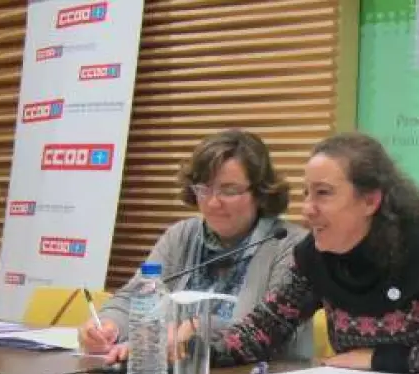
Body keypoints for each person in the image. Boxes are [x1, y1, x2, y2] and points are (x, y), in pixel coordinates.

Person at [199, 131, 419, 374]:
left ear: (370, 201)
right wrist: (195, 350)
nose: (307, 209)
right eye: (307, 193)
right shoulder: (315, 255)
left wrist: (380, 359)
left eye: (323, 193)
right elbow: (258, 333)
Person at [79, 129, 312, 361]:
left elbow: (270, 329)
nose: (213, 203)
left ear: (260, 193)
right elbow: (135, 298)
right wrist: (109, 325)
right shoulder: (182, 236)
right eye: (203, 189)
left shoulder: (289, 244)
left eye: (229, 190)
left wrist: (198, 329)